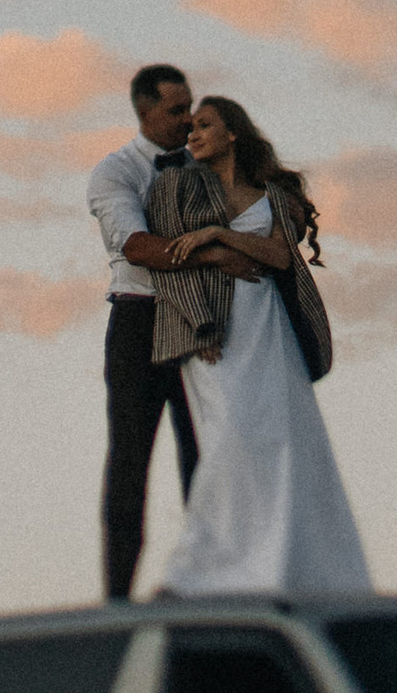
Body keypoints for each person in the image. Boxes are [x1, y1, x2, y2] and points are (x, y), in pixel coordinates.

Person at [149, 94, 371, 600]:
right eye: (190, 130)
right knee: (229, 438)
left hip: (270, 331)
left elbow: (277, 254)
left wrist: (215, 234)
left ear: (233, 133)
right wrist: (198, 321)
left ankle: (290, 567)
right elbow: (167, 264)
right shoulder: (177, 187)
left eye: (205, 126)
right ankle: (198, 569)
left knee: (286, 441)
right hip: (214, 335)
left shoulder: (275, 196)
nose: (194, 135)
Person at [86, 61, 201, 601]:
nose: (188, 119)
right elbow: (135, 245)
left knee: (204, 458)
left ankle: (205, 580)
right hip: (139, 319)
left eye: (190, 107)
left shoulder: (209, 165)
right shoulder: (115, 171)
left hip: (200, 319)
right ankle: (117, 598)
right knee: (131, 460)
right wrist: (215, 252)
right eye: (177, 110)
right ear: (145, 111)